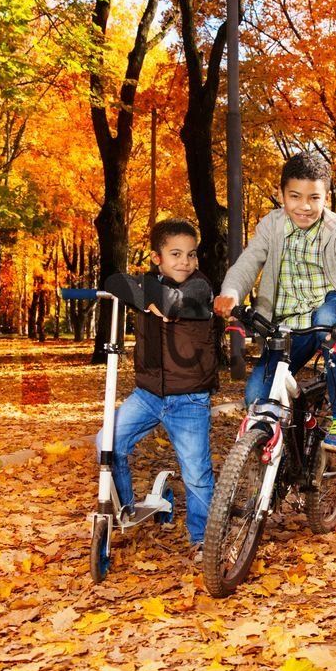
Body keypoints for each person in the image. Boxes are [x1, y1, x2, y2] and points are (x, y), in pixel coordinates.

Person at [213, 151, 336, 452]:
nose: (304, 206)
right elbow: (248, 263)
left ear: (326, 197)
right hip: (285, 328)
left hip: (327, 313)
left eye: (314, 197)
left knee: (327, 318)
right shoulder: (271, 227)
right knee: (256, 396)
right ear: (281, 194)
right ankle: (289, 459)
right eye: (295, 196)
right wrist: (231, 293)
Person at [103, 218, 218, 561]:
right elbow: (112, 280)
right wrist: (147, 293)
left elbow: (175, 303)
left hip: (189, 398)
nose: (185, 262)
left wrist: (150, 296)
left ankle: (202, 539)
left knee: (197, 474)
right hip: (148, 395)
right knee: (107, 444)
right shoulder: (150, 283)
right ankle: (126, 508)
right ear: (157, 258)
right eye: (175, 254)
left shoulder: (200, 288)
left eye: (191, 255)